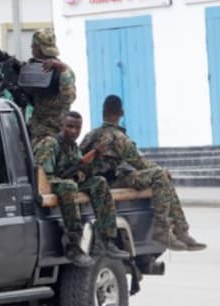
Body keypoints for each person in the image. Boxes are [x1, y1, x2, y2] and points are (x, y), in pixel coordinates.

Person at [12, 111, 129, 306]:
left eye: (77, 128)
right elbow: (44, 176)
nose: (73, 132)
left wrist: (90, 162)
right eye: (69, 127)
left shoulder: (72, 147)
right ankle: (73, 242)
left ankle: (106, 237)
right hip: (45, 186)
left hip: (66, 183)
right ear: (61, 125)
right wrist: (73, 176)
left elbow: (78, 169)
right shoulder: (51, 144)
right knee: (67, 186)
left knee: (99, 183)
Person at [80, 95, 206, 251]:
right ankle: (166, 230)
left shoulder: (90, 135)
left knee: (160, 175)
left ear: (103, 112)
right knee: (160, 175)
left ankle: (180, 230)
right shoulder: (118, 137)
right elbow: (139, 163)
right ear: (121, 113)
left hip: (97, 181)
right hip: (113, 181)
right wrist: (160, 170)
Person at [28, 29, 76, 146]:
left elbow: (69, 98)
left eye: (33, 46)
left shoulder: (62, 70)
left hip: (52, 136)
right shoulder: (34, 67)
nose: (31, 48)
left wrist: (62, 69)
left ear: (37, 48)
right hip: (35, 132)